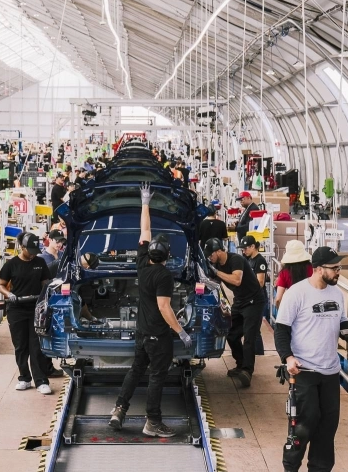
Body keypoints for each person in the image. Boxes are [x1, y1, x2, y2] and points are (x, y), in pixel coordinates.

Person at [109, 183, 191, 437]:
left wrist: (144, 203)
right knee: (157, 375)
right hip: (157, 334)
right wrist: (180, 331)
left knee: (136, 370)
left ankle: (119, 409)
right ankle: (152, 422)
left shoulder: (142, 262)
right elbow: (164, 307)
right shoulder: (163, 276)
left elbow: (144, 230)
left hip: (142, 331)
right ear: (167, 255)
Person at [275, 246, 348, 472]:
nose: (338, 272)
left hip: (330, 371)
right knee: (303, 425)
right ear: (318, 269)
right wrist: (288, 357)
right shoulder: (296, 293)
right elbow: (281, 330)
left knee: (327, 427)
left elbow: (342, 323)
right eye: (334, 268)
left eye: (339, 267)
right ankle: (291, 467)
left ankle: (320, 469)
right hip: (304, 370)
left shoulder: (336, 294)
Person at [204, 236, 264, 387]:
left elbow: (237, 280)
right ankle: (241, 364)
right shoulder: (216, 265)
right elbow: (213, 284)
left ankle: (247, 372)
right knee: (231, 335)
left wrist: (216, 272)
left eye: (211, 255)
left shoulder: (236, 259)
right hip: (239, 301)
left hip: (254, 301)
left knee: (249, 337)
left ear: (218, 251)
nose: (210, 258)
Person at [0, 232, 52, 394]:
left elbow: (45, 284)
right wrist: (9, 295)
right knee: (21, 346)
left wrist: (46, 297)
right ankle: (25, 378)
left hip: (36, 310)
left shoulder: (40, 262)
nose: (33, 254)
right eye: (31, 251)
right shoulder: (11, 264)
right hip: (17, 310)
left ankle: (41, 380)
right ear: (22, 247)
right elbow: (1, 285)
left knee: (36, 346)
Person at [274, 241, 313, 311]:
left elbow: (278, 299)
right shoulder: (313, 269)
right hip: (310, 307)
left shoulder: (284, 272)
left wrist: (281, 312)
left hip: (292, 308)